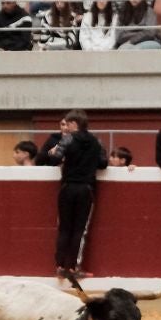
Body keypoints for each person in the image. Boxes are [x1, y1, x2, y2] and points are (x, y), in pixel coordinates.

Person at [39, 110, 106, 277]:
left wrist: (52, 152)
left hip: (68, 188)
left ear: (75, 124)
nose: (66, 127)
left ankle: (60, 267)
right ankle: (74, 268)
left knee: (64, 228)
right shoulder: (95, 142)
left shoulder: (67, 139)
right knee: (79, 230)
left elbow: (54, 159)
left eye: (68, 124)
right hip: (86, 189)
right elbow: (103, 163)